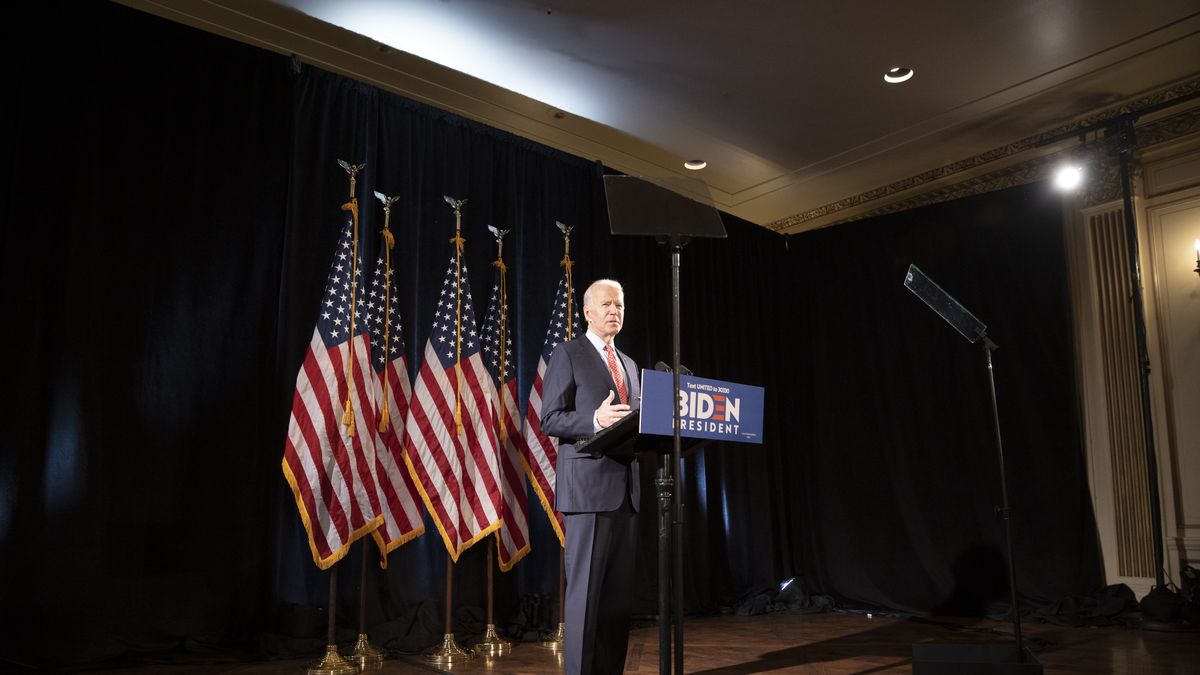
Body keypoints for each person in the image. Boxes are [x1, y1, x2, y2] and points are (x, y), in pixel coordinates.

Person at [540, 278, 641, 675]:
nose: (615, 310)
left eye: (619, 304)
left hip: (625, 494)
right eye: (606, 304)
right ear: (587, 311)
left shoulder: (630, 364)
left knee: (617, 602)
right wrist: (595, 419)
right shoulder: (568, 354)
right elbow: (550, 418)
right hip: (586, 494)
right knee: (584, 598)